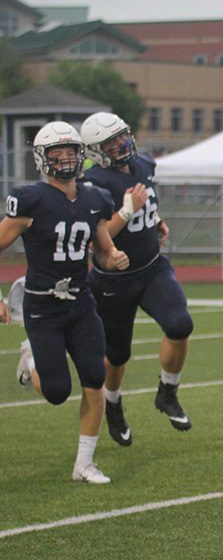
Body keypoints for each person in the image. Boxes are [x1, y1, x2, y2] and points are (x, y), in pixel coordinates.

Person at [1, 121, 130, 483]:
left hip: (80, 302)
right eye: (56, 155)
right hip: (42, 305)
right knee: (57, 392)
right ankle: (30, 357)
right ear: (42, 160)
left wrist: (114, 257)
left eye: (70, 153)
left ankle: (84, 463)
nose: (65, 160)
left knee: (94, 377)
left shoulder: (94, 198)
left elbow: (103, 252)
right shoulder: (30, 200)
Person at [80, 112, 195, 446]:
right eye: (110, 142)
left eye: (120, 136)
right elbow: (93, 238)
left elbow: (147, 198)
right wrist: (128, 211)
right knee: (117, 356)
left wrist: (155, 218)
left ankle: (167, 391)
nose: (120, 144)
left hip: (153, 267)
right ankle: (113, 404)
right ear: (95, 151)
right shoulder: (94, 184)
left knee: (180, 324)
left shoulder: (143, 164)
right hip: (114, 280)